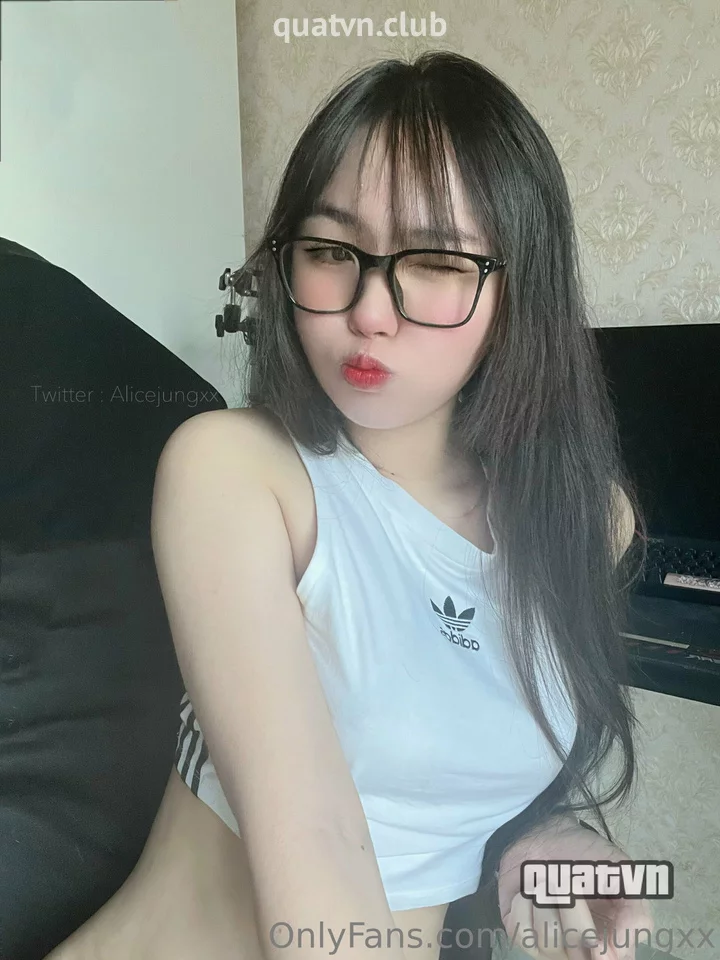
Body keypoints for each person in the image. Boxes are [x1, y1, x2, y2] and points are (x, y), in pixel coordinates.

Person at [45, 51, 655, 960]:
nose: (369, 310)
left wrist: (546, 837)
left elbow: (452, 763)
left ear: (518, 289)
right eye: (332, 252)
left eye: (436, 260)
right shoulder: (237, 471)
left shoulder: (587, 519)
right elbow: (319, 833)